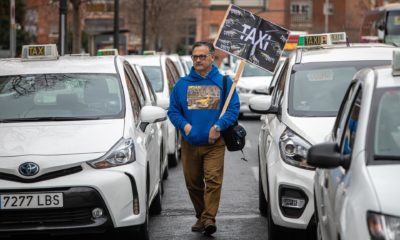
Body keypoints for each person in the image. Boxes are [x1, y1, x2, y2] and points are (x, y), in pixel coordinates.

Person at [167, 41, 240, 236]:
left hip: (214, 144)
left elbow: (233, 110)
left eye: (202, 56)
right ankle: (202, 215)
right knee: (193, 184)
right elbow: (173, 111)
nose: (198, 60)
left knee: (213, 180)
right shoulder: (182, 85)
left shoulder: (225, 83)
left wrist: (218, 126)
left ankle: (209, 219)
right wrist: (185, 125)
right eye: (195, 57)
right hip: (190, 143)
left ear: (212, 57)